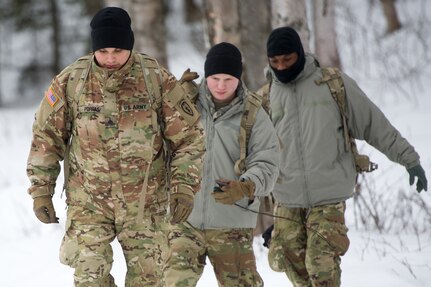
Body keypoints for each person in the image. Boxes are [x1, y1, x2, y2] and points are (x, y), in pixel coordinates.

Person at [26, 7, 204, 287]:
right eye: (104, 51)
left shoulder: (155, 79)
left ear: (130, 47)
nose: (110, 58)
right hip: (89, 203)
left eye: (118, 51)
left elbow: (188, 139)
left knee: (149, 280)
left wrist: (184, 187)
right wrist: (41, 191)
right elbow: (46, 139)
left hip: (146, 204)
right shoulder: (72, 81)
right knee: (89, 278)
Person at [260, 26, 428, 286]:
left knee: (320, 262)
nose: (281, 67)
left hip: (328, 192)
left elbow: (374, 124)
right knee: (290, 260)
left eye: (288, 60)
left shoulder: (332, 84)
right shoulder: (266, 97)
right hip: (287, 196)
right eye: (275, 62)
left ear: (300, 54)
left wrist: (409, 159)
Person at [163, 42, 280, 287]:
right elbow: (154, 141)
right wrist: (170, 97)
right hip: (184, 220)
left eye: (228, 78)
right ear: (206, 76)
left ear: (239, 77)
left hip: (232, 224)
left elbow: (267, 162)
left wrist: (246, 186)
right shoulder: (187, 104)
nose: (221, 85)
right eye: (215, 78)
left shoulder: (254, 114)